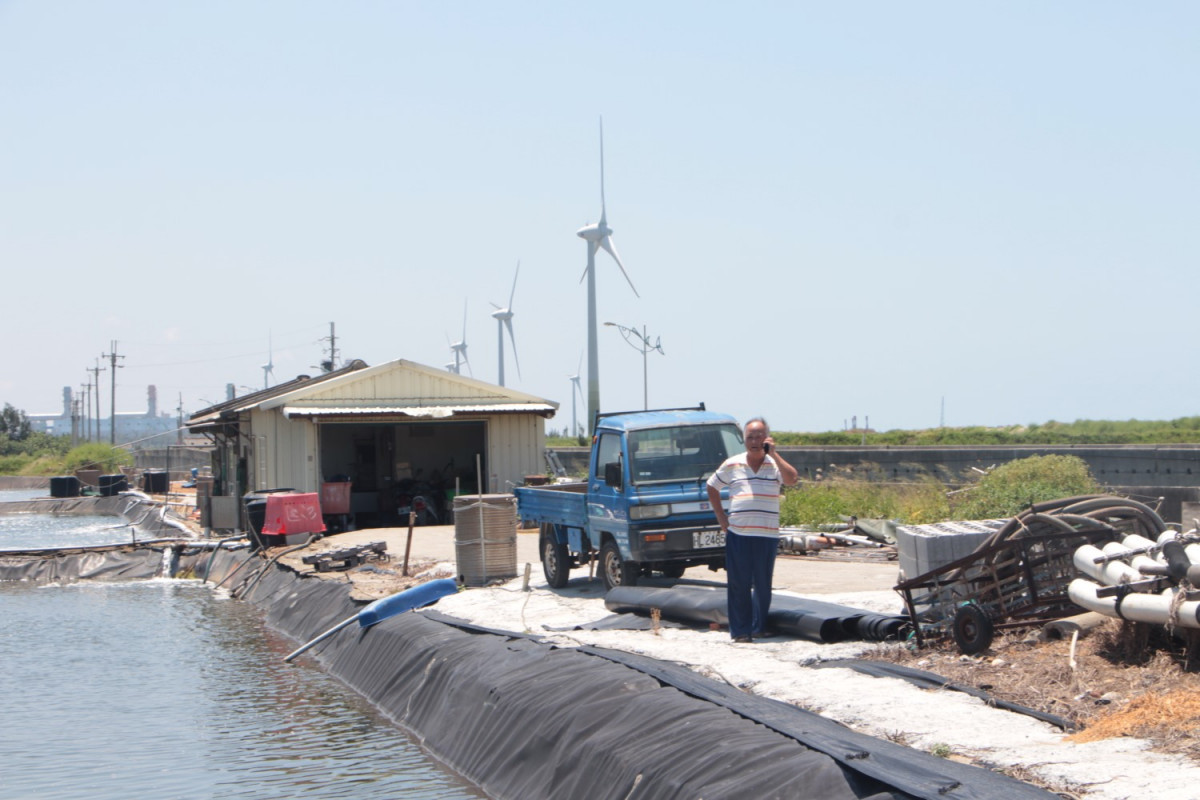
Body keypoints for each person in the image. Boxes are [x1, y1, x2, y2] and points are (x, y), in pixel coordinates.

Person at [706, 418, 799, 642]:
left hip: (766, 534)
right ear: (744, 440)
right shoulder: (733, 464)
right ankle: (740, 632)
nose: (754, 441)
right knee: (739, 584)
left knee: (763, 584)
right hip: (739, 533)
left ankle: (758, 626)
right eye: (750, 437)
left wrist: (774, 454)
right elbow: (712, 486)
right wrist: (721, 517)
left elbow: (792, 479)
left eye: (759, 437)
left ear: (767, 438)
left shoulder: (775, 464)